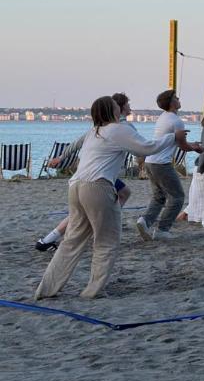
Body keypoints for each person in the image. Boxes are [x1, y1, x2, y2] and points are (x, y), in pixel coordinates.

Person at [35, 96, 194, 300]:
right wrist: (173, 137)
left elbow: (77, 148)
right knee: (106, 241)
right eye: (116, 106)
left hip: (75, 186)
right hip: (97, 186)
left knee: (71, 242)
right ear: (112, 111)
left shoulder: (94, 131)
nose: (120, 108)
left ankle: (45, 290)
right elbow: (147, 148)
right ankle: (92, 292)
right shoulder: (118, 129)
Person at [35, 92, 134, 251]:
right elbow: (142, 147)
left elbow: (76, 144)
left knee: (123, 193)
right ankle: (100, 225)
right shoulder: (123, 127)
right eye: (128, 104)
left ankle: (48, 239)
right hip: (100, 175)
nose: (131, 107)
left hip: (87, 171)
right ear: (120, 108)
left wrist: (60, 158)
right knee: (81, 214)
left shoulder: (100, 127)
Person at [137, 90, 200, 241]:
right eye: (176, 98)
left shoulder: (163, 117)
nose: (179, 99)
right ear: (172, 102)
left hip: (150, 161)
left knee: (159, 196)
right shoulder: (176, 121)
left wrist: (192, 145)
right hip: (161, 164)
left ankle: (144, 221)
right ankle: (162, 230)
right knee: (178, 197)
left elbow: (178, 143)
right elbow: (183, 146)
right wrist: (197, 148)